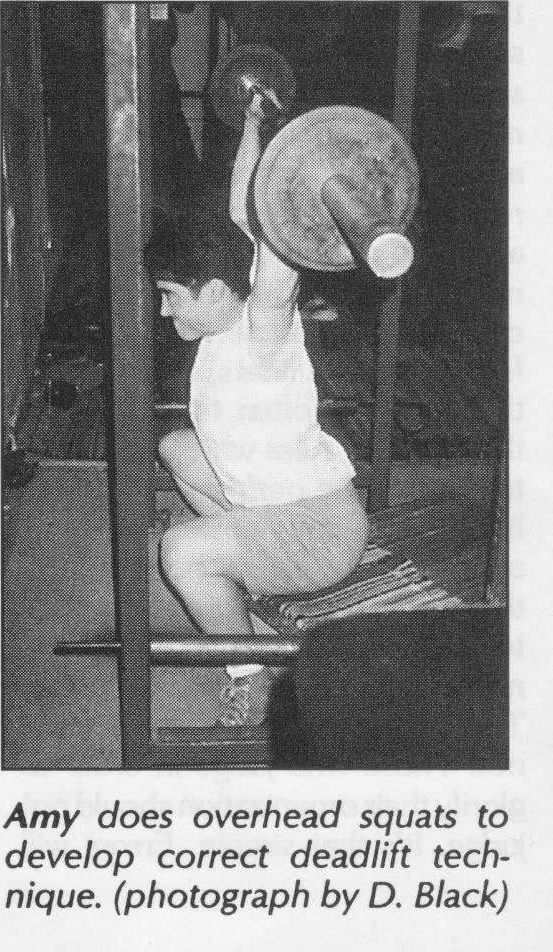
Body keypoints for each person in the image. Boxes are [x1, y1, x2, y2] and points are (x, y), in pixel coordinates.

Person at [144, 94, 368, 727]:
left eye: (171, 295)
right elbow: (245, 208)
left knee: (179, 553)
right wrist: (253, 123)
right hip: (276, 506)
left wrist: (301, 175)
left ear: (218, 291)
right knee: (175, 448)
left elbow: (276, 255)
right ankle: (241, 563)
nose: (164, 309)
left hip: (318, 534)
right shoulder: (222, 323)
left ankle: (250, 669)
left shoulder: (262, 331)